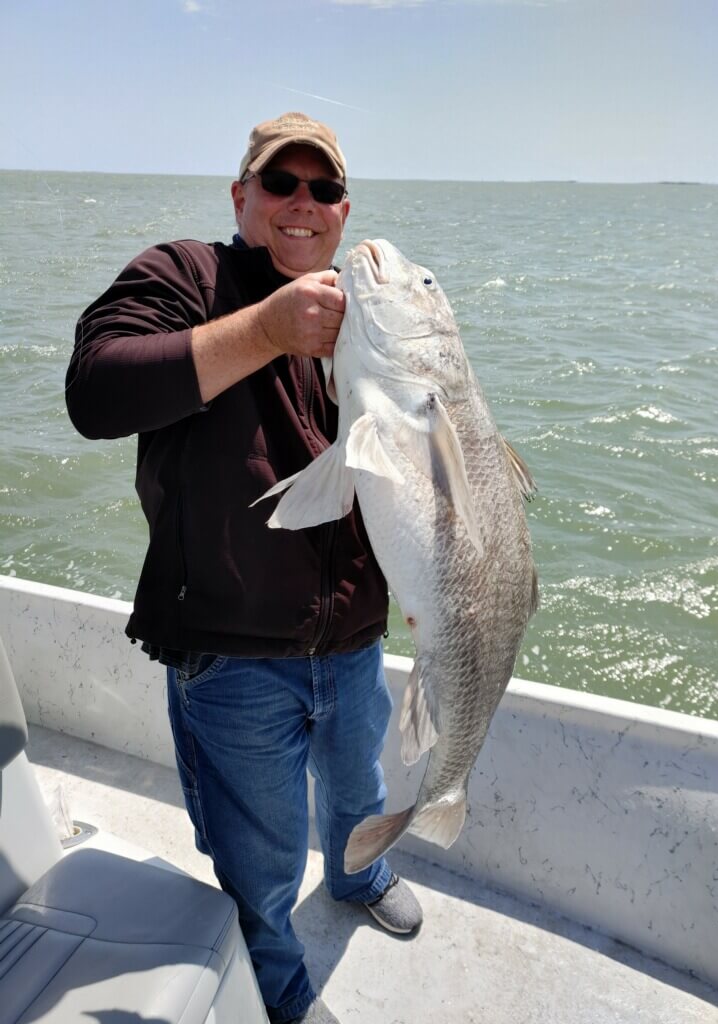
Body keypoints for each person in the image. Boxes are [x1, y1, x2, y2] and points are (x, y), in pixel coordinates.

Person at [66, 111, 423, 1024]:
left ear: (345, 210)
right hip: (232, 659)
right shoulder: (186, 274)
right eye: (281, 183)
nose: (304, 204)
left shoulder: (363, 311)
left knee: (359, 790)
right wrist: (265, 329)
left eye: (325, 189)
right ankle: (280, 977)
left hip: (352, 641)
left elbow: (411, 460)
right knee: (258, 854)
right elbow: (97, 390)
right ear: (242, 195)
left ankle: (359, 876)